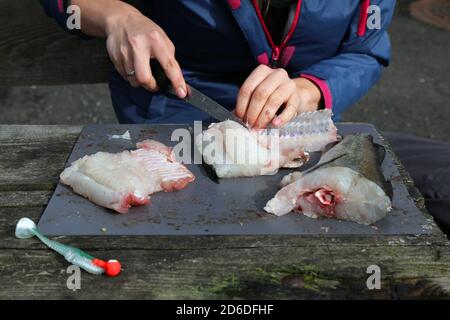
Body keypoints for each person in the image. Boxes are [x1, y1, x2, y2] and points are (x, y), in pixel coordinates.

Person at [41, 1, 449, 235]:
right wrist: (116, 15)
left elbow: (366, 49)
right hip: (181, 112)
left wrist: (310, 89)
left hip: (303, 122)